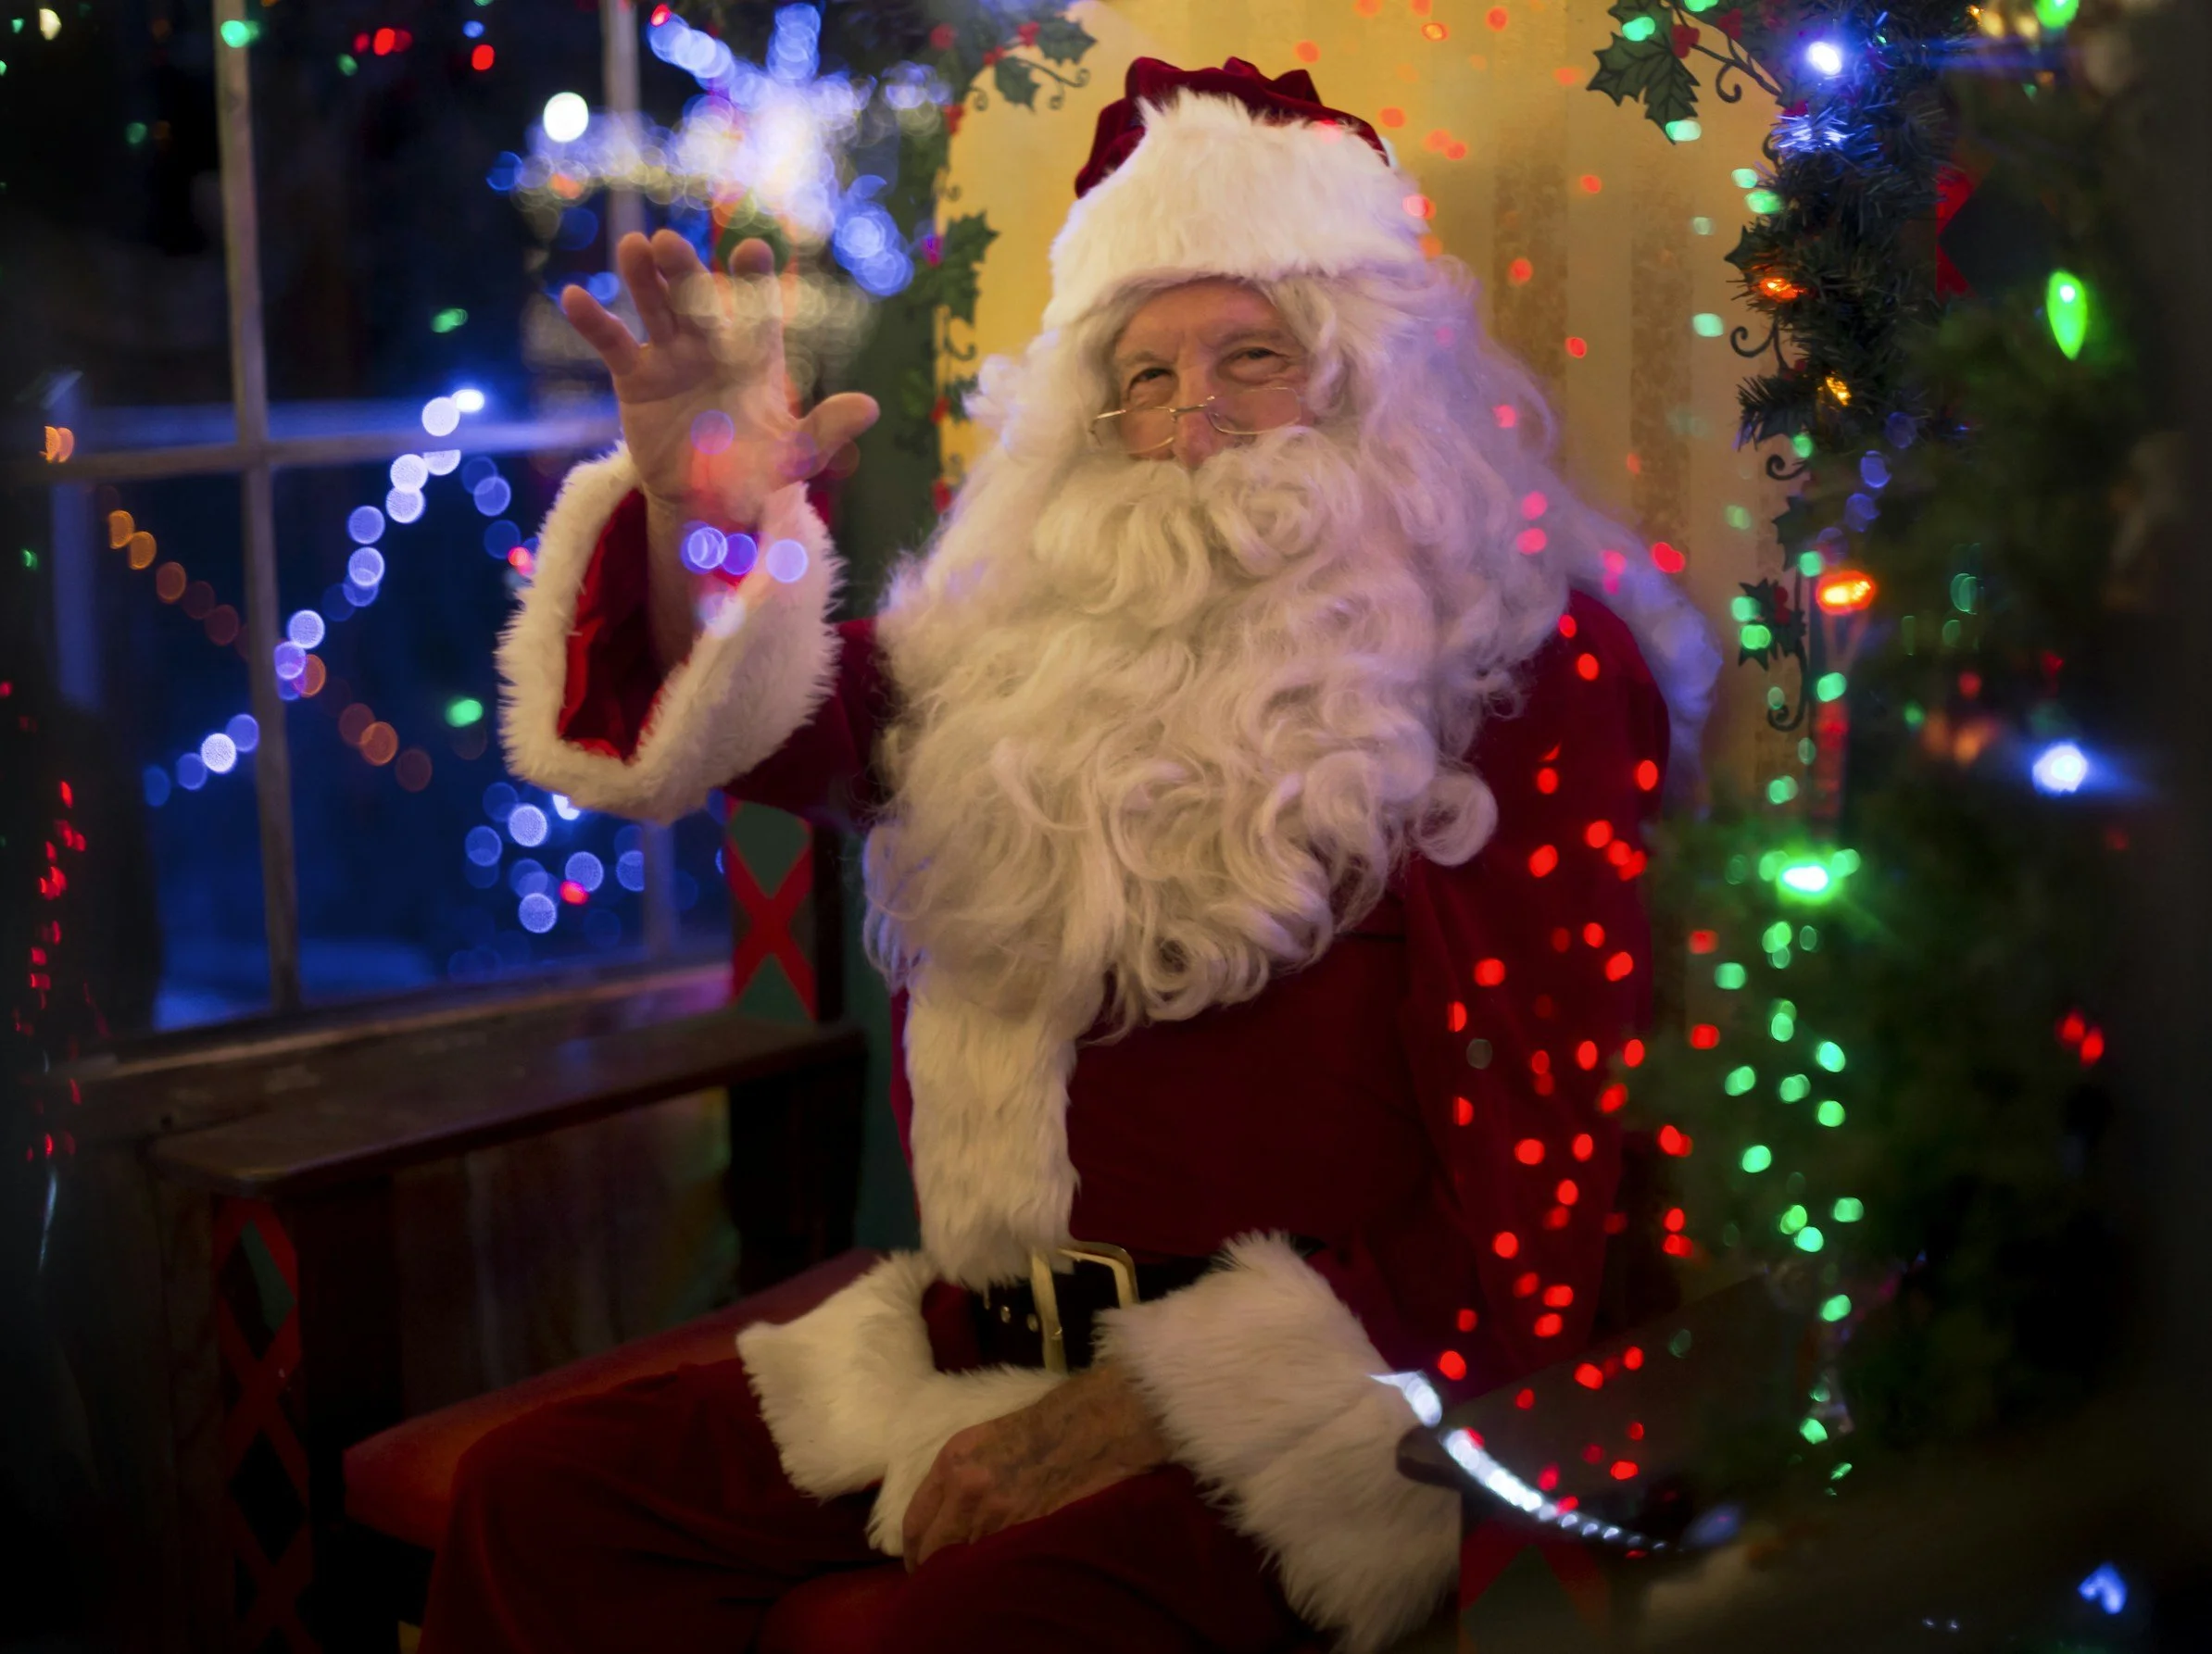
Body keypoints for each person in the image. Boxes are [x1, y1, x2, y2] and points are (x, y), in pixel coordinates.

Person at [429, 56, 1717, 1654]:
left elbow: (1535, 1167)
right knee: (537, 1503)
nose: (1188, 428)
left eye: (1252, 360)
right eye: (1146, 376)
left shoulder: (1526, 664)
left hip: (1314, 1416)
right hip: (973, 1344)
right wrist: (705, 511)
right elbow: (745, 731)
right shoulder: (1013, 646)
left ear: (1372, 385)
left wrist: (1147, 1417)